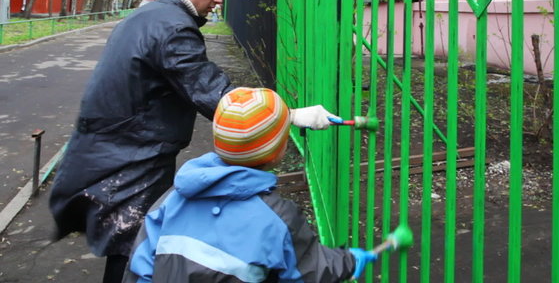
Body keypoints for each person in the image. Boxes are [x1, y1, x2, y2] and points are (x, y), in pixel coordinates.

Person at [49, 0, 337, 283]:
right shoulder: (174, 29)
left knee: (130, 240)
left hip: (112, 148)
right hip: (135, 155)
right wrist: (288, 116)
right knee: (133, 246)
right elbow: (216, 95)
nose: (218, 0)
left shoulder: (149, 15)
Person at [122, 87, 377, 282]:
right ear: (276, 152)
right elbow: (310, 268)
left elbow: (139, 268)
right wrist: (350, 261)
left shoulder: (170, 202)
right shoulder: (278, 218)